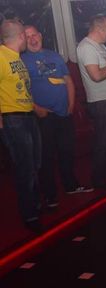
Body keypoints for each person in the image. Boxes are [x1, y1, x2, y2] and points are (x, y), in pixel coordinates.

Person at [22, 25, 93, 209]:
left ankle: (71, 185)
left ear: (40, 36)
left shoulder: (54, 56)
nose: (32, 39)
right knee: (45, 156)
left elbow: (68, 81)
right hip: (43, 116)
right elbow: (21, 90)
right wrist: (37, 108)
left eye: (34, 35)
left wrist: (71, 105)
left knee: (67, 151)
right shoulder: (22, 61)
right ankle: (49, 194)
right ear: (23, 40)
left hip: (63, 113)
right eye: (27, 37)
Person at [0, 19, 42, 231]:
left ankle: (34, 204)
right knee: (24, 167)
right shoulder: (1, 56)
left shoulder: (17, 58)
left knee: (35, 163)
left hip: (27, 116)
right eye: (26, 36)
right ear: (21, 37)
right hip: (13, 118)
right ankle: (30, 213)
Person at [76, 15, 106, 189]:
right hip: (100, 101)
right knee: (103, 141)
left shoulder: (101, 46)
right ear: (99, 29)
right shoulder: (86, 47)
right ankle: (97, 178)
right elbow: (96, 76)